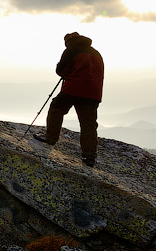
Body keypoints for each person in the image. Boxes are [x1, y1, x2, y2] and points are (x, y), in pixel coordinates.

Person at [33, 32, 104, 166]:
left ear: (68, 41)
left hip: (74, 88)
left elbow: (61, 70)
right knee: (88, 123)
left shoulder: (71, 50)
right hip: (93, 92)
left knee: (56, 108)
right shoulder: (96, 53)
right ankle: (90, 156)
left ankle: (51, 137)